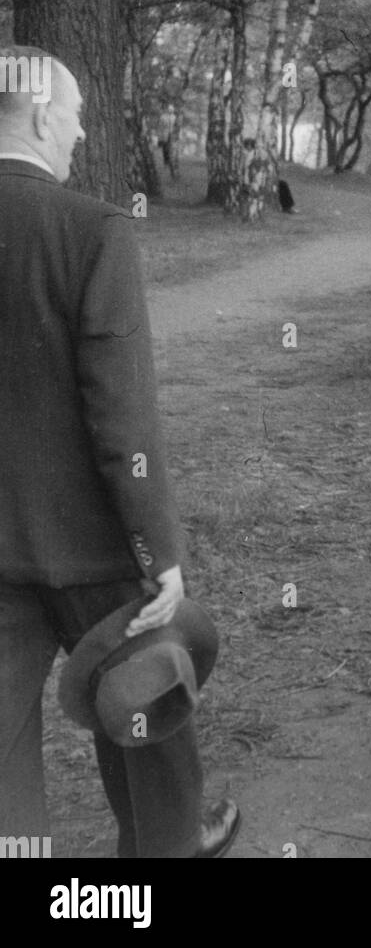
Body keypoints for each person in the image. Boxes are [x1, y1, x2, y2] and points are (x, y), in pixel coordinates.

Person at [0, 45, 239, 858]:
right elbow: (121, 416)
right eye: (72, 114)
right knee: (148, 722)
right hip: (93, 545)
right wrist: (157, 547)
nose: (80, 130)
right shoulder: (91, 228)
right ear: (38, 115)